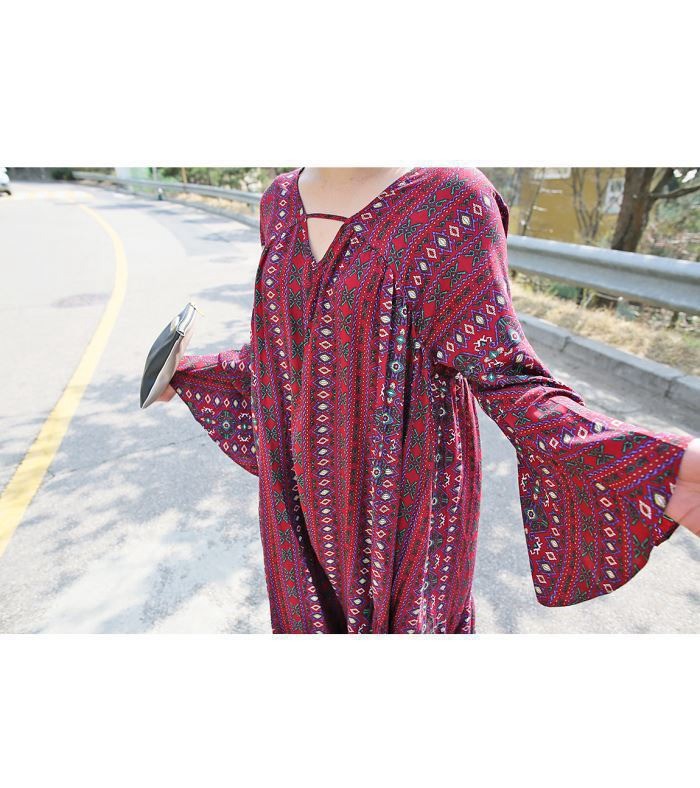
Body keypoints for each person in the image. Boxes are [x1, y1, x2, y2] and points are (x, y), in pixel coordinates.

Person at [158, 166, 700, 634]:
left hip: (411, 506)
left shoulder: (451, 199)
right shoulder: (278, 200)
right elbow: (286, 350)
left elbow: (506, 375)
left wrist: (647, 465)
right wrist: (188, 373)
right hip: (299, 502)